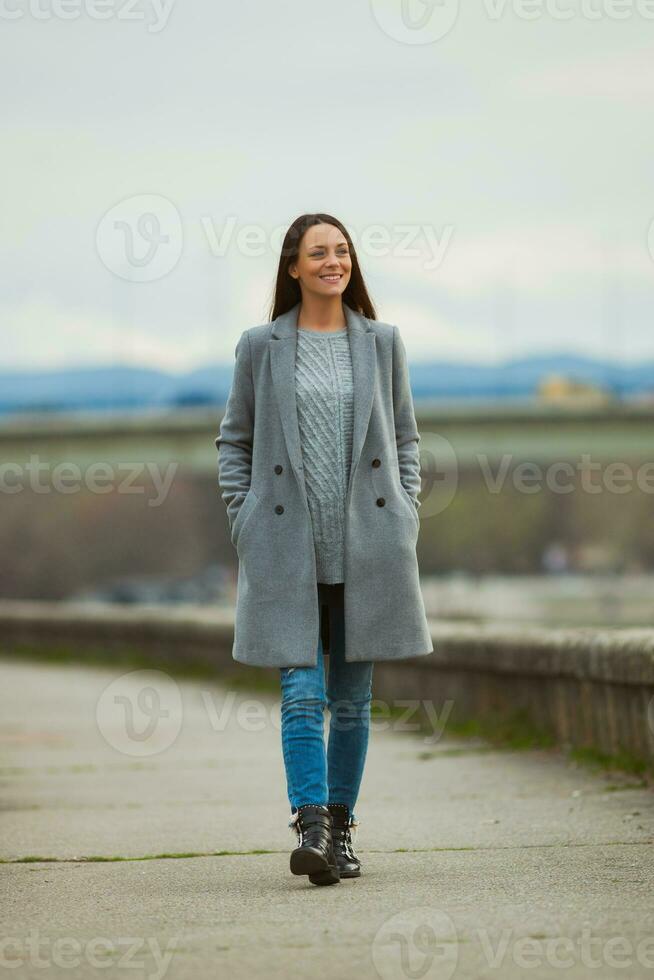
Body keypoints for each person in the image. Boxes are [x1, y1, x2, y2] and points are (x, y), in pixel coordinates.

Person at [216, 213, 434, 887]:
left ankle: (340, 834)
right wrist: (244, 517)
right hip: (286, 548)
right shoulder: (260, 346)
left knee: (354, 698)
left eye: (342, 251)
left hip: (370, 550)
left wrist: (404, 513)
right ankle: (309, 828)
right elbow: (235, 442)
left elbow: (405, 441)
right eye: (319, 253)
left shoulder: (382, 342)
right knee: (301, 691)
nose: (333, 262)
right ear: (293, 267)